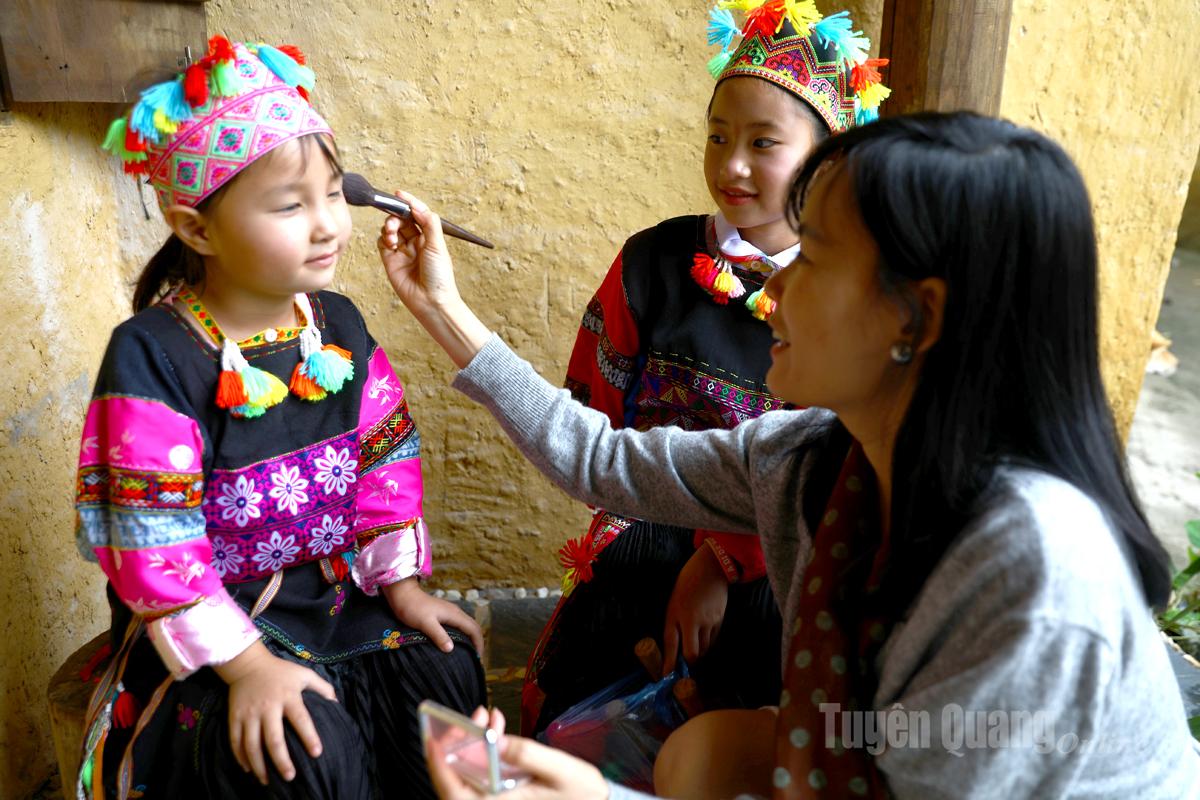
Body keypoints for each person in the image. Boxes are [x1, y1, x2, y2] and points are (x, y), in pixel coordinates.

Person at [379, 110, 1200, 799]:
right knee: (702, 753)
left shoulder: (1028, 576)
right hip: (880, 746)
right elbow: (605, 459)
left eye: (811, 255)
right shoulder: (811, 462)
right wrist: (443, 307)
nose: (774, 287)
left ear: (917, 317)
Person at [75, 38, 485, 800]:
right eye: (291, 205)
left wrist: (400, 586)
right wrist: (248, 666)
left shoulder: (338, 324)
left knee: (444, 662)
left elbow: (384, 456)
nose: (327, 224)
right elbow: (148, 536)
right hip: (216, 633)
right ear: (197, 229)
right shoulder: (153, 357)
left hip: (334, 599)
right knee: (304, 743)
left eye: (334, 194)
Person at [523, 1, 893, 736]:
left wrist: (722, 562)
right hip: (647, 515)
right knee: (588, 675)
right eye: (718, 136)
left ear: (828, 158)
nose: (731, 165)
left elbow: (835, 467)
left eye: (763, 143)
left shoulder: (850, 295)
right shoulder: (650, 263)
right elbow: (594, 415)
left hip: (780, 549)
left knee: (755, 668)